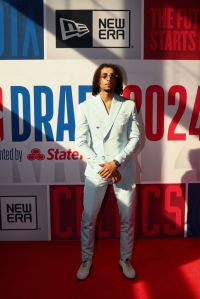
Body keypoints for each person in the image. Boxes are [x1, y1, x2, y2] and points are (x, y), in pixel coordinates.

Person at [75, 63, 141, 280]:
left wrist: (117, 162)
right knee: (88, 218)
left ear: (117, 81)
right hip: (97, 171)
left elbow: (136, 138)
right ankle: (86, 259)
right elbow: (81, 142)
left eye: (112, 76)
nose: (108, 79)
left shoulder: (128, 105)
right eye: (104, 75)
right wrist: (103, 165)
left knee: (127, 218)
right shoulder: (85, 106)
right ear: (97, 80)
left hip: (123, 169)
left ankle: (125, 259)